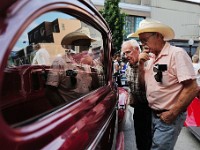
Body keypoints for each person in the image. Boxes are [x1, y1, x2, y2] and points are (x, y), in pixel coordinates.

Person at [128, 19, 199, 149]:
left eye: (145, 39)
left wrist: (173, 113)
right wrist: (141, 66)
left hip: (169, 114)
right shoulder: (150, 57)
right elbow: (143, 86)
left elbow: (192, 88)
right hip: (154, 113)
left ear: (159, 36)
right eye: (141, 41)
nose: (143, 44)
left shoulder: (176, 54)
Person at [121, 39, 152, 150]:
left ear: (137, 49)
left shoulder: (148, 64)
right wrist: (132, 97)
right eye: (124, 53)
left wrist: (141, 66)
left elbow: (145, 87)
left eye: (128, 52)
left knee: (150, 141)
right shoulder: (128, 67)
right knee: (140, 140)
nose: (126, 55)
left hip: (151, 109)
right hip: (139, 109)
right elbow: (131, 86)